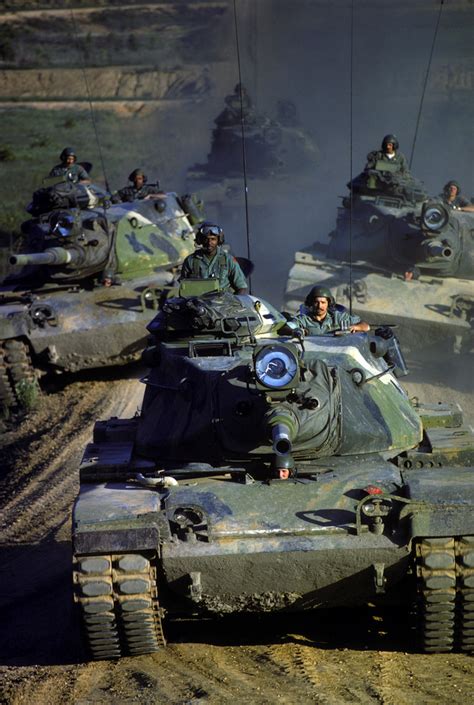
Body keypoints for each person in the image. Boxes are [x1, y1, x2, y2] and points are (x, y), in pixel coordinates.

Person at [180, 222, 248, 294]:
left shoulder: (228, 260)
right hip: (198, 303)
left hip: (222, 303)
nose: (209, 242)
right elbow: (183, 288)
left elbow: (241, 288)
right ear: (200, 240)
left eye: (213, 239)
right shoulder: (190, 261)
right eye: (206, 239)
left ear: (219, 240)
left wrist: (233, 303)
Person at [293, 285, 370, 335]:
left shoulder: (338, 317)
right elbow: (287, 327)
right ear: (311, 303)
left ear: (328, 303)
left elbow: (366, 326)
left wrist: (355, 327)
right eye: (316, 302)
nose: (320, 306)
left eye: (323, 302)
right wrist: (298, 331)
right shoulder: (303, 319)